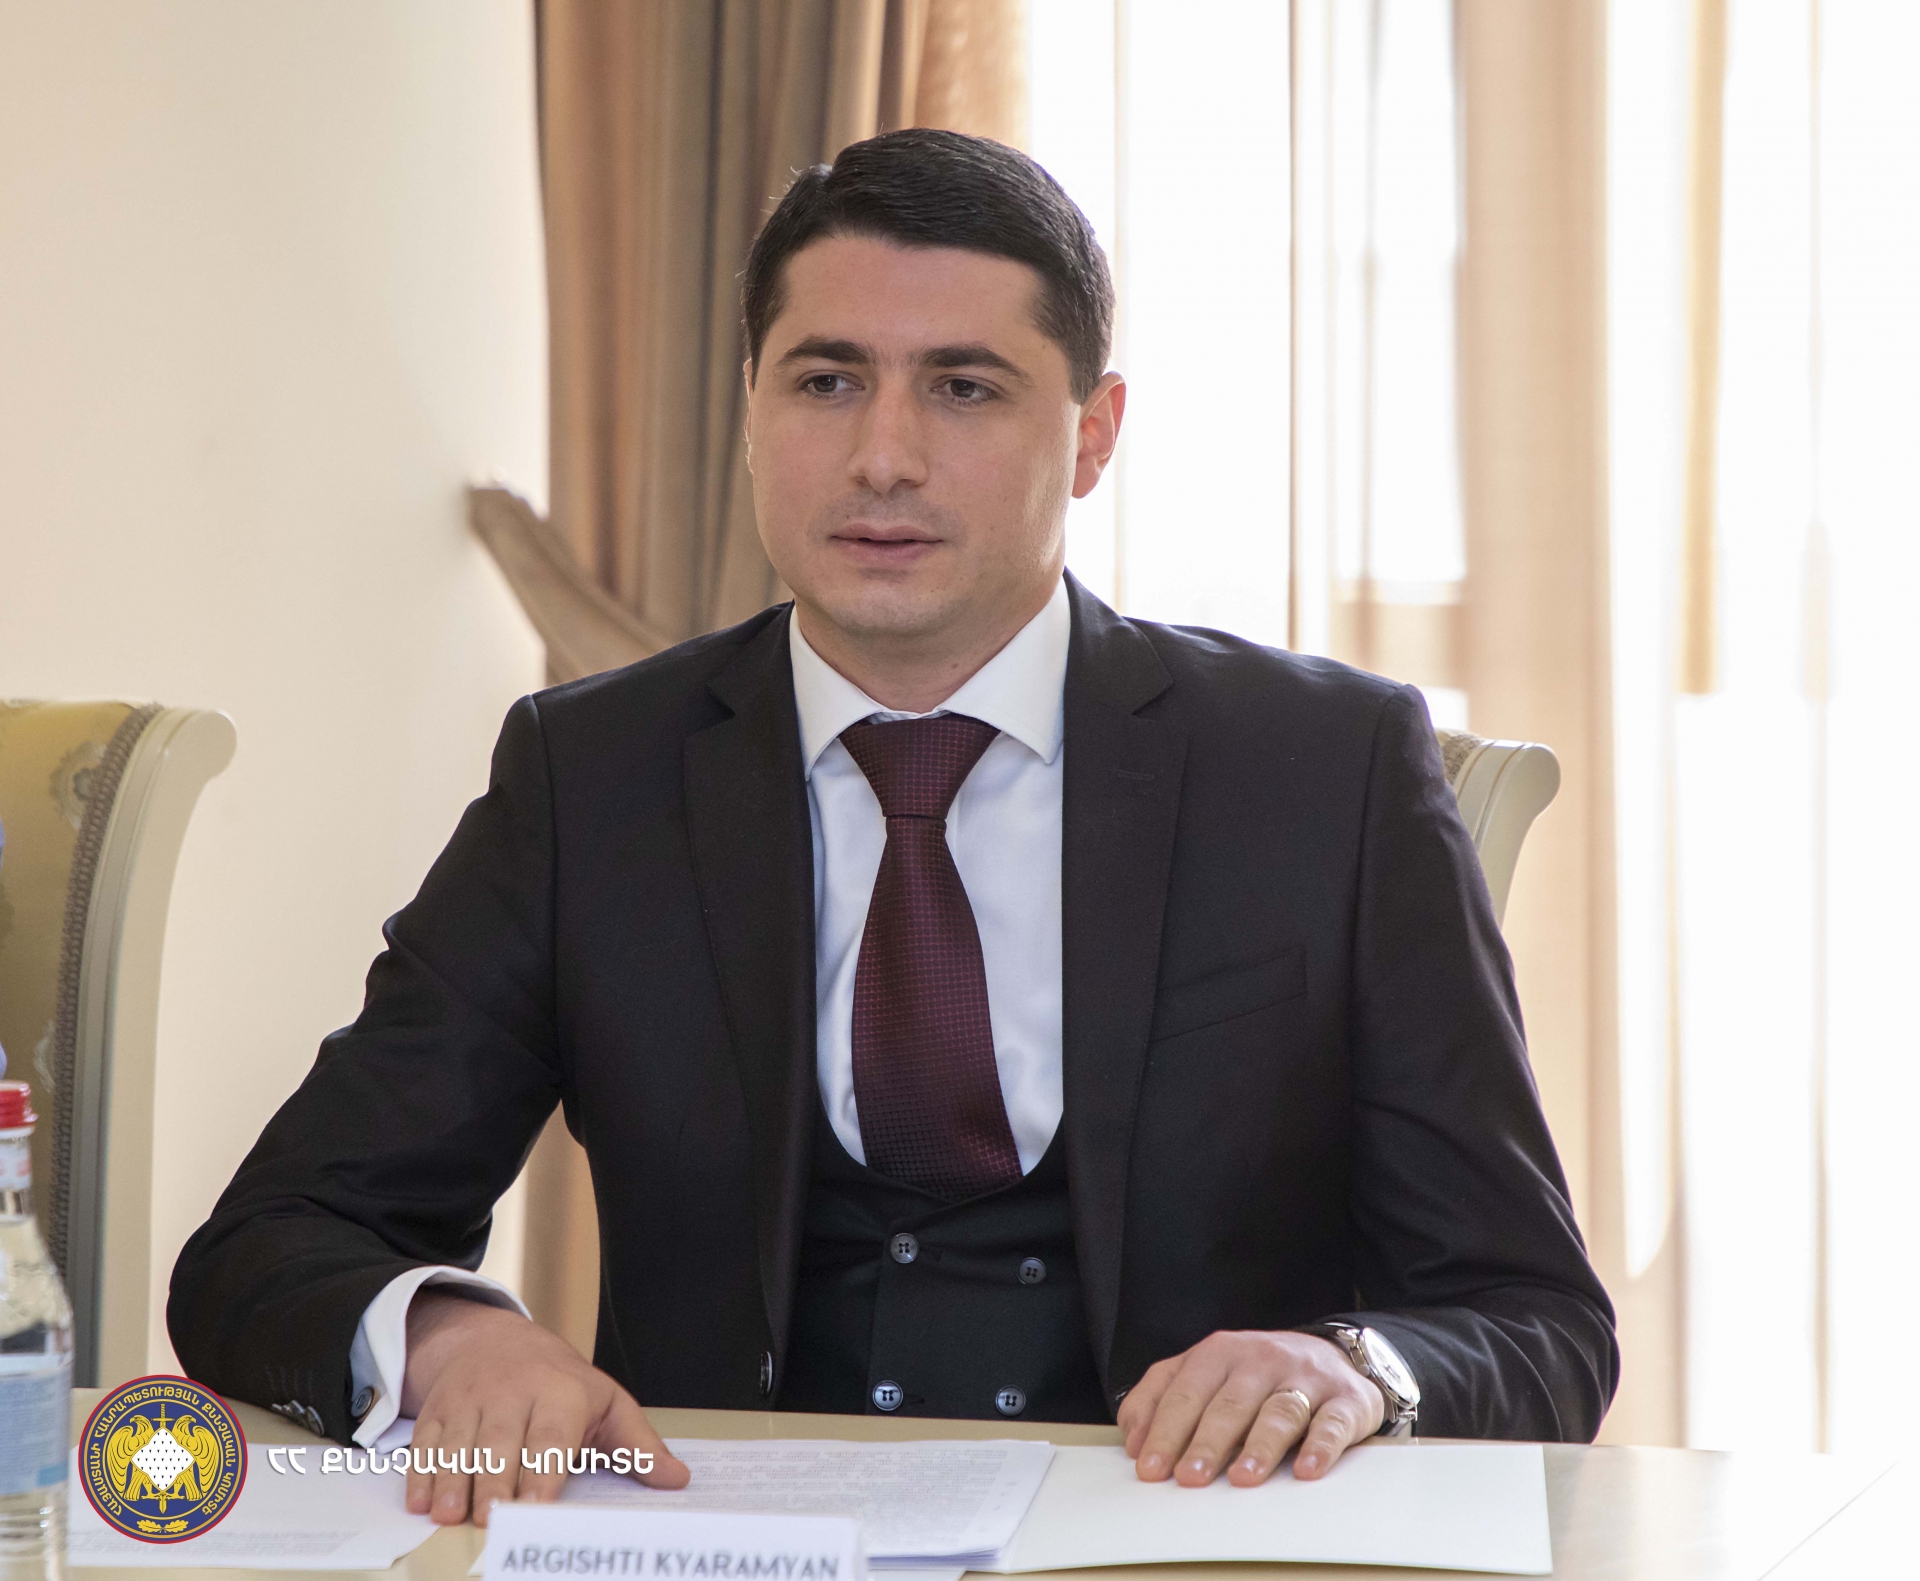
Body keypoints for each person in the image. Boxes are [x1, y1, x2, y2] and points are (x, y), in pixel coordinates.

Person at [170, 128, 1615, 1528]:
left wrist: (1353, 1367)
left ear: (1094, 434)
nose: (883, 456)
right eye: (826, 381)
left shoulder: (1325, 769)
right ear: (751, 410)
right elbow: (268, 1245)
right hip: (720, 1545)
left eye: (965, 389)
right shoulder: (591, 775)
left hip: (1184, 1537)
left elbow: (1532, 1317)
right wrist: (449, 1336)